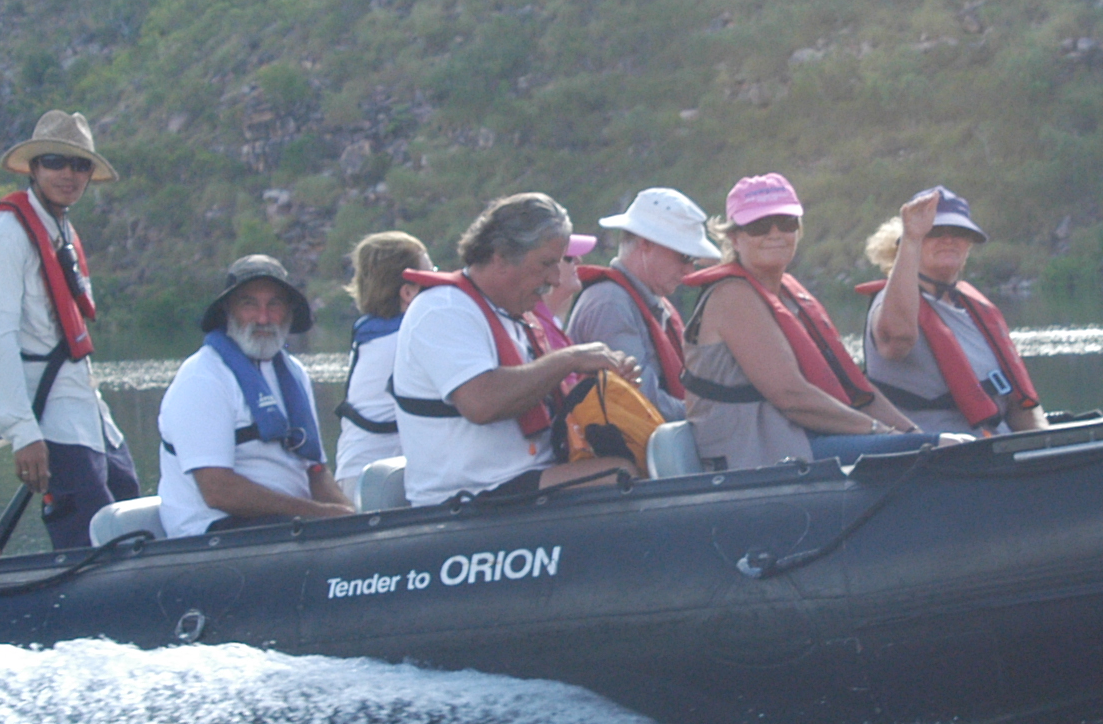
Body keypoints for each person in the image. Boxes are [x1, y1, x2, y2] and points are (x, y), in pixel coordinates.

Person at [391, 193, 642, 506]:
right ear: (500, 258)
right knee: (620, 474)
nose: (554, 279)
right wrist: (570, 359)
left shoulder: (514, 315)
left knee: (638, 453)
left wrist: (605, 383)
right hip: (469, 496)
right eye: (546, 264)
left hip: (520, 482)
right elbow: (481, 403)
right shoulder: (441, 309)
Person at [0, 110, 136, 549]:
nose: (68, 174)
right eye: (55, 162)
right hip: (49, 417)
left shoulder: (60, 231)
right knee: (87, 528)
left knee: (128, 498)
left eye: (80, 165)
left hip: (85, 409)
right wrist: (23, 433)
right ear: (35, 168)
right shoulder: (5, 237)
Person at [682, 173, 927, 470]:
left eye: (786, 223)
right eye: (759, 226)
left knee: (945, 447)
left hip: (801, 443)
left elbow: (856, 389)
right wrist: (882, 433)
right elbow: (791, 397)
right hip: (757, 457)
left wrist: (913, 434)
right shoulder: (732, 295)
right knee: (933, 451)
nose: (775, 234)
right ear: (734, 238)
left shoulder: (789, 294)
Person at [155, 255, 355, 539]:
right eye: (249, 304)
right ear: (228, 311)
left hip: (291, 526)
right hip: (213, 533)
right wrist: (318, 514)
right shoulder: (202, 377)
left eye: (274, 304)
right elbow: (217, 490)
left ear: (289, 312)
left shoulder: (294, 373)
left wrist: (354, 520)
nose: (263, 317)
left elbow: (316, 472)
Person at [857, 187, 1046, 436]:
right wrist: (911, 239)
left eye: (959, 232)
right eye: (934, 232)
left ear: (969, 244)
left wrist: (1046, 440)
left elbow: (1021, 405)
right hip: (940, 451)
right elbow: (896, 340)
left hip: (998, 443)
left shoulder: (974, 309)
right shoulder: (891, 303)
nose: (948, 240)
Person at [567, 186, 718, 411]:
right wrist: (709, 418)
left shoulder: (643, 301)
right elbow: (639, 402)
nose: (689, 271)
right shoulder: (611, 304)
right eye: (684, 257)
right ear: (645, 243)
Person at [334, 231, 430, 489]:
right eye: (431, 275)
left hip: (355, 472)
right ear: (408, 293)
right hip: (381, 480)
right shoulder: (409, 337)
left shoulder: (372, 336)